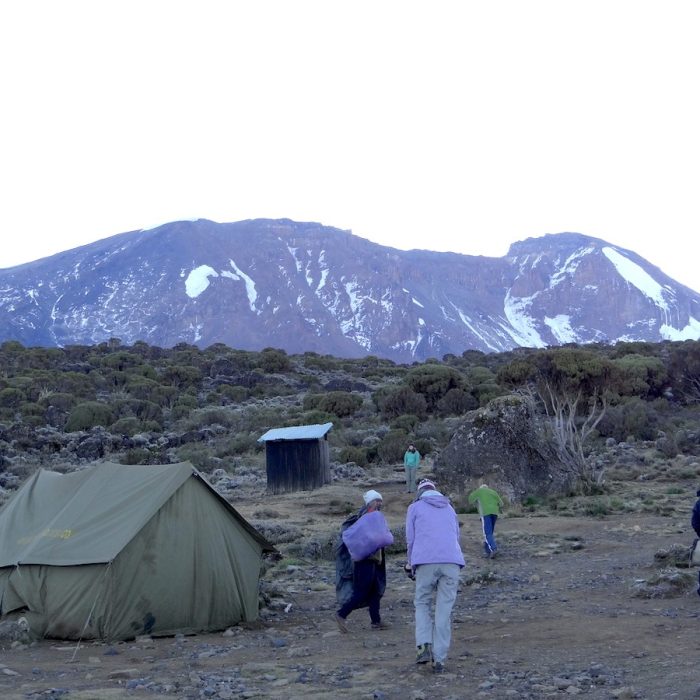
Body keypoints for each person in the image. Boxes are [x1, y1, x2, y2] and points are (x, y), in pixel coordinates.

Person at [405, 478, 465, 673]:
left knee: (422, 602)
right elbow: (456, 535)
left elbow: (410, 539)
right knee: (444, 611)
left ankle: (423, 646)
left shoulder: (415, 508)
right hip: (452, 562)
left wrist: (410, 564)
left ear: (420, 492)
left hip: (425, 561)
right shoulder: (450, 508)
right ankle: (439, 659)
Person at [335, 489, 391, 633]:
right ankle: (341, 614)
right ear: (370, 502)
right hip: (363, 561)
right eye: (377, 500)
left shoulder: (374, 517)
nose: (379, 503)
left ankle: (376, 621)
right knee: (360, 592)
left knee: (374, 592)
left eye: (380, 501)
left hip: (374, 560)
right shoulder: (363, 518)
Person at [468, 483, 504, 559]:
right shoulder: (493, 492)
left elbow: (470, 500)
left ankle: (494, 549)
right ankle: (488, 551)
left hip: (485, 513)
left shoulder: (479, 491)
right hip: (495, 513)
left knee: (487, 533)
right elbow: (501, 504)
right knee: (490, 532)